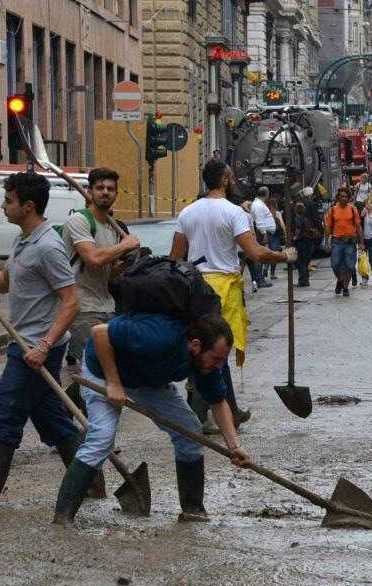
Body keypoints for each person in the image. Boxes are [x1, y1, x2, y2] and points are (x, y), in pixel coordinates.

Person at [53, 312, 251, 525]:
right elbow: (100, 333)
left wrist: (234, 445)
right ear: (195, 345)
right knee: (102, 437)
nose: (219, 366)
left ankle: (193, 510)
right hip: (103, 369)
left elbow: (218, 402)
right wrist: (113, 382)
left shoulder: (206, 362)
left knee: (191, 432)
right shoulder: (159, 336)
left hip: (147, 380)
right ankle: (63, 517)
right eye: (217, 358)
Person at [0, 172, 88, 502]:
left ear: (28, 206)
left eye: (8, 201)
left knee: (4, 414)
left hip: (36, 350)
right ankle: (90, 484)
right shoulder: (23, 240)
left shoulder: (49, 246)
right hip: (25, 344)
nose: (3, 206)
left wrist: (45, 346)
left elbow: (71, 301)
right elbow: (5, 281)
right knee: (55, 422)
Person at [172, 159, 294, 433]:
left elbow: (175, 258)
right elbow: (256, 253)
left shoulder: (187, 212)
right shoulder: (233, 212)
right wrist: (283, 255)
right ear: (224, 179)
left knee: (211, 351)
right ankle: (197, 417)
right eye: (231, 176)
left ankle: (232, 411)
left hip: (194, 286)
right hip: (221, 291)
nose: (235, 180)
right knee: (213, 352)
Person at [61, 167, 141, 408]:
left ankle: (66, 417)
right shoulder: (79, 221)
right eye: (99, 188)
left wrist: (128, 258)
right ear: (89, 192)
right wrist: (124, 244)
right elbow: (93, 258)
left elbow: (107, 271)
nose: (105, 193)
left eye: (110, 189)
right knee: (97, 370)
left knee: (102, 369)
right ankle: (81, 430)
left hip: (106, 304)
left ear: (116, 194)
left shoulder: (110, 226)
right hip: (82, 307)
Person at [324, 186, 364, 297]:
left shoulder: (353, 209)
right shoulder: (332, 210)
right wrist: (326, 241)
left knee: (350, 266)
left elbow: (358, 226)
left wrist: (361, 242)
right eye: (341, 197)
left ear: (349, 198)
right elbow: (328, 227)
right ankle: (340, 281)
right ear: (338, 197)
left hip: (350, 242)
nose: (343, 199)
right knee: (335, 265)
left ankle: (345, 287)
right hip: (337, 242)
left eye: (346, 197)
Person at [292, 188, 323, 287]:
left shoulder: (299, 206)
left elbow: (297, 231)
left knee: (302, 261)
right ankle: (305, 280)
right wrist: (320, 231)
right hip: (308, 239)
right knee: (305, 260)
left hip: (302, 240)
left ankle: (303, 280)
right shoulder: (312, 205)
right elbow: (316, 219)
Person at [248, 187, 277, 289]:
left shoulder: (258, 204)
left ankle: (258, 279)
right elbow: (259, 221)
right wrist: (264, 234)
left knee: (259, 257)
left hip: (261, 233)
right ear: (267, 194)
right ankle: (260, 280)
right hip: (260, 234)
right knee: (259, 256)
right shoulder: (258, 205)